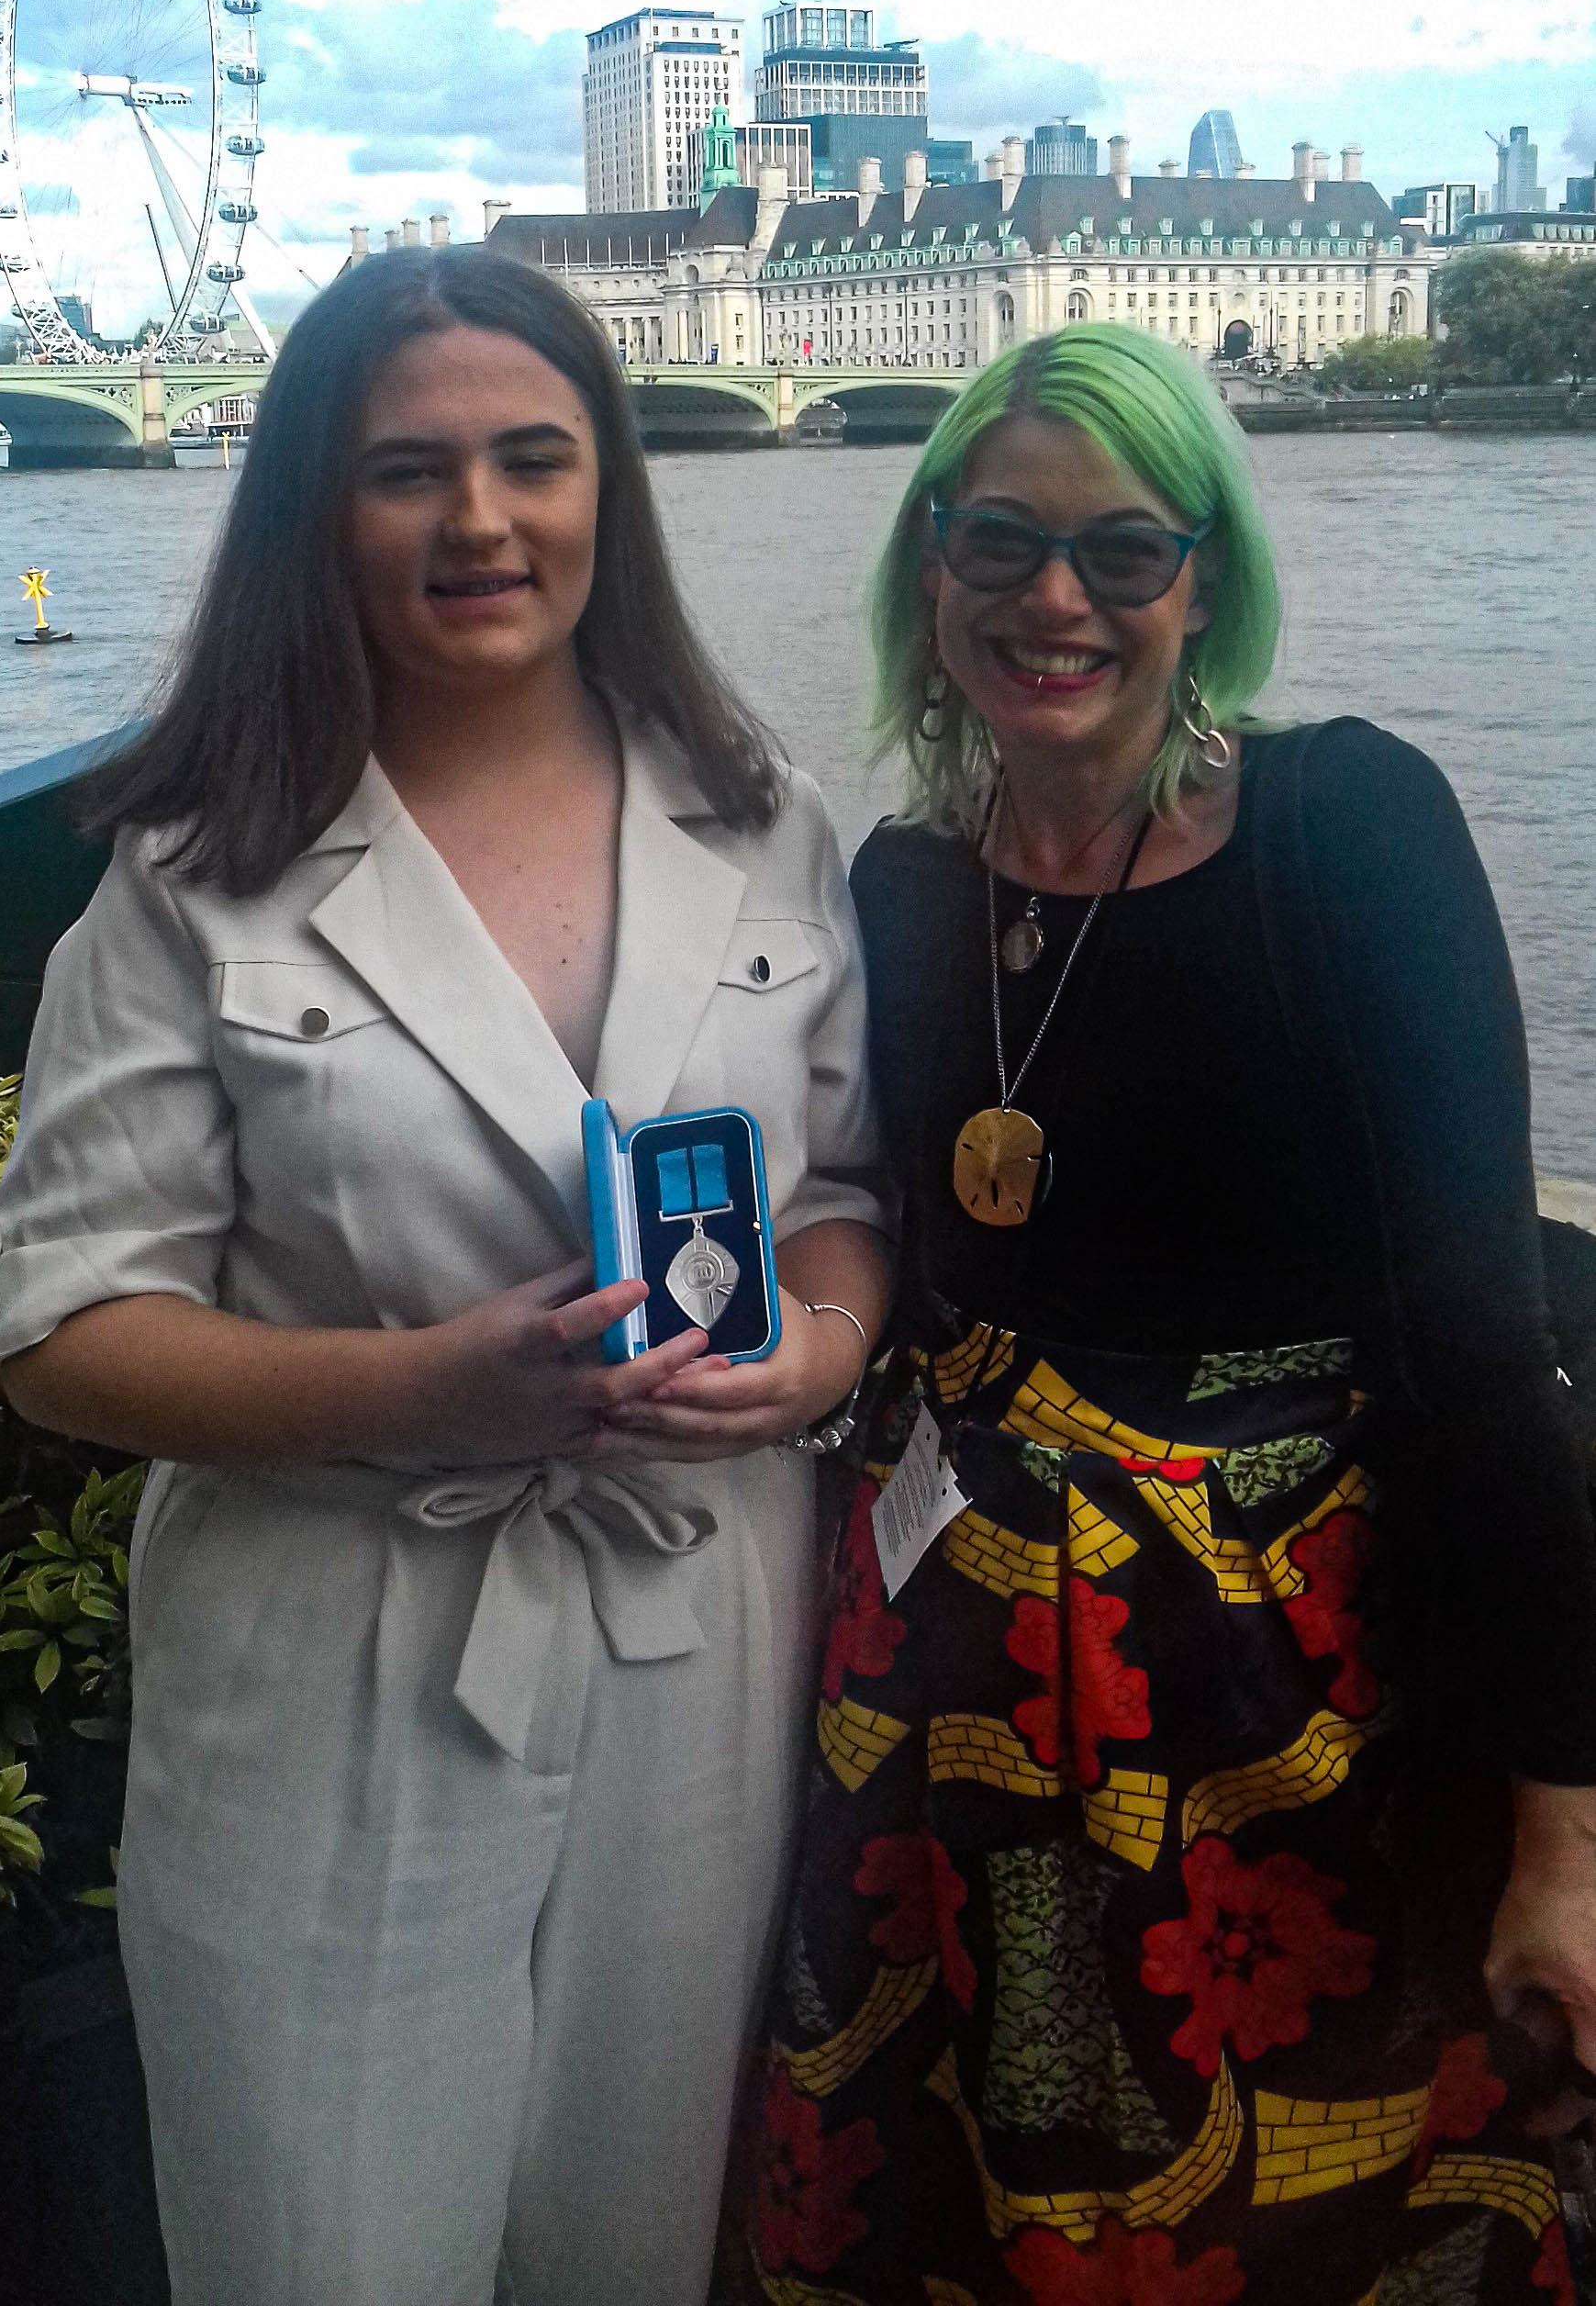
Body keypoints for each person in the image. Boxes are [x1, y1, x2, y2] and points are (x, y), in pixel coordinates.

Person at [0, 249, 889, 2306]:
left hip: (697, 1630)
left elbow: (840, 1183)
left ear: (607, 495)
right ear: (318, 507)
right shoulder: (199, 866)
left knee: (633, 2247)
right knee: (326, 2251)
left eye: (532, 460)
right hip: (341, 1653)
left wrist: (819, 1350)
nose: (481, 519)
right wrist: (420, 1393)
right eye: (409, 471)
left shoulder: (765, 826)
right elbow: (59, 1321)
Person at [744, 325, 1596, 2305]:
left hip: (1295, 1744)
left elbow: (1482, 1335)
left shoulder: (1348, 831)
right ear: (927, 568)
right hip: (945, 1746)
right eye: (1001, 543)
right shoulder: (893, 887)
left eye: (1124, 553)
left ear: (1204, 582)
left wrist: (1564, 1829)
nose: (1056, 599)